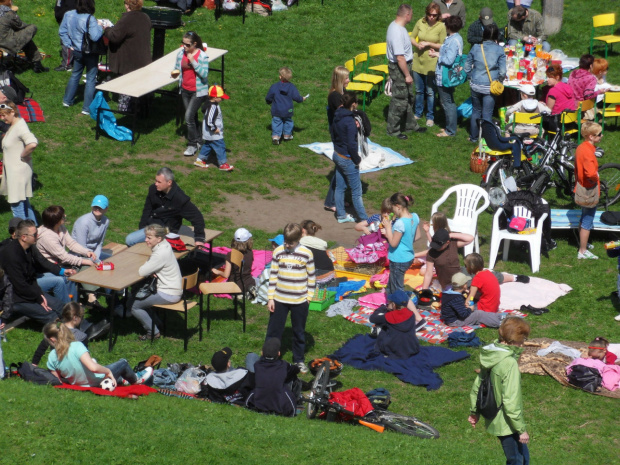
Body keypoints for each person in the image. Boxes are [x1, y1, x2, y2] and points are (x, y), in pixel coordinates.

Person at [468, 317, 531, 465]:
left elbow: (479, 384)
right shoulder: (508, 363)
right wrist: (521, 429)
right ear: (517, 338)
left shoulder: (492, 354)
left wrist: (474, 411)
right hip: (506, 422)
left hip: (496, 415)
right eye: (523, 339)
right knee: (516, 459)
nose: (524, 342)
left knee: (522, 457)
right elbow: (511, 399)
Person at [266, 223, 315, 374]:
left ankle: (298, 360)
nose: (287, 245)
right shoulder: (278, 252)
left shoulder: (307, 254)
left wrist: (308, 297)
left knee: (299, 332)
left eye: (290, 243)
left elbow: (311, 277)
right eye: (285, 242)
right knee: (274, 331)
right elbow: (273, 274)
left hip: (299, 301)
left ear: (299, 239)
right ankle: (269, 358)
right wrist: (270, 298)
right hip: (279, 299)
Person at [44, 321, 153, 387]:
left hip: (78, 383)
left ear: (52, 340)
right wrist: (108, 372)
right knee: (123, 362)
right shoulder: (77, 345)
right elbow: (93, 368)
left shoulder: (52, 357)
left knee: (96, 362)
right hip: (96, 381)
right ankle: (136, 379)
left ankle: (122, 380)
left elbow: (57, 380)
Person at [0, 218, 77, 306]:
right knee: (58, 281)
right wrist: (37, 294)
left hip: (34, 276)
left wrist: (62, 271)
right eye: (14, 231)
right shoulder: (8, 251)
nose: (37, 235)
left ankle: (74, 304)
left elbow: (43, 261)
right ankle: (68, 311)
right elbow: (19, 281)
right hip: (25, 284)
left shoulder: (29, 245)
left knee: (67, 277)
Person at [125, 167, 206, 247]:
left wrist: (199, 238)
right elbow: (147, 210)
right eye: (156, 181)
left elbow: (197, 217)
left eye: (159, 182)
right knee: (130, 239)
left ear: (169, 182)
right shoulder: (153, 189)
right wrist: (142, 228)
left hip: (166, 231)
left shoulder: (179, 199)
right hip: (151, 227)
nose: (156, 184)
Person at [128, 224, 182, 340]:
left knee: (134, 305)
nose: (145, 240)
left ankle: (153, 332)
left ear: (159, 238)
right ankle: (157, 323)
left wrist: (151, 267)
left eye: (149, 238)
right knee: (140, 299)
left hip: (168, 293)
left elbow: (142, 271)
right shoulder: (165, 245)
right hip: (174, 288)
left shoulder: (159, 254)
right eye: (146, 237)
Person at [385, 4, 426, 140]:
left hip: (403, 66)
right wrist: (407, 75)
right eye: (411, 14)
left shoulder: (397, 27)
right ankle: (393, 130)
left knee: (408, 97)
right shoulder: (396, 31)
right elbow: (400, 57)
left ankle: (410, 125)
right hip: (400, 68)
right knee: (400, 100)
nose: (412, 17)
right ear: (407, 15)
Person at [59, 0, 104, 115]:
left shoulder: (68, 14)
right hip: (90, 52)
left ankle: (67, 100)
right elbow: (95, 36)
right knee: (91, 78)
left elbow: (62, 31)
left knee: (75, 74)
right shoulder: (90, 19)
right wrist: (100, 26)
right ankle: (86, 108)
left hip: (76, 50)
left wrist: (69, 45)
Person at [32, 301, 109, 366]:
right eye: (81, 317)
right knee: (93, 361)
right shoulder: (82, 336)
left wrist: (34, 366)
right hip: (73, 371)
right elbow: (85, 358)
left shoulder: (54, 330)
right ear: (75, 318)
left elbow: (41, 349)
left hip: (57, 368)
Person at [465, 23, 506, 143]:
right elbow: (503, 71)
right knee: (487, 113)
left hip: (475, 84)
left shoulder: (476, 47)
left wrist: (470, 77)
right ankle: (486, 139)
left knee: (476, 111)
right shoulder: (499, 50)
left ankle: (473, 137)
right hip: (490, 86)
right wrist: (500, 80)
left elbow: (467, 66)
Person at [330, 91, 368, 223]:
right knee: (357, 191)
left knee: (340, 187)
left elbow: (333, 134)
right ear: (353, 104)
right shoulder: (350, 122)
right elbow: (352, 145)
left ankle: (341, 215)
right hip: (347, 159)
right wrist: (357, 159)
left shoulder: (336, 115)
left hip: (337, 154)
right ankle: (364, 219)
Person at [172, 31, 209, 157]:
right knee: (192, 117)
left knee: (188, 117)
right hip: (185, 89)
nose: (185, 47)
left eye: (187, 45)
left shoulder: (202, 56)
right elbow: (177, 68)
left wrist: (193, 61)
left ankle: (192, 144)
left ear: (194, 44)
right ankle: (199, 141)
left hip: (197, 91)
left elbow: (204, 74)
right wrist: (175, 73)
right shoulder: (180, 54)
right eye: (183, 44)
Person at [0, 101, 38, 222]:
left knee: (17, 207)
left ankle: (24, 236)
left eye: (4, 115)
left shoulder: (20, 127)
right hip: (16, 172)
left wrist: (23, 155)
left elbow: (32, 143)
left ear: (12, 112)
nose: (2, 118)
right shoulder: (14, 125)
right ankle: (35, 231)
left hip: (17, 174)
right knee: (25, 204)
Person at [245, 338, 301, 417]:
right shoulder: (284, 365)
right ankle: (298, 398)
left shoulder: (257, 365)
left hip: (259, 403)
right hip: (279, 404)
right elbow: (296, 369)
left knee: (251, 356)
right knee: (291, 377)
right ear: (278, 353)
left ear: (262, 353)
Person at [411, 2, 446, 127]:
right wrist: (417, 44)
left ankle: (430, 116)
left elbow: (443, 45)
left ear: (438, 16)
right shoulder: (421, 22)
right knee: (419, 90)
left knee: (431, 92)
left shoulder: (441, 26)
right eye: (430, 14)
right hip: (418, 60)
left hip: (431, 63)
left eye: (434, 15)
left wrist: (428, 44)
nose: (431, 17)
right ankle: (418, 113)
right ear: (426, 14)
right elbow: (412, 36)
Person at [430, 15, 464, 137]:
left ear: (449, 27)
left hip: (445, 76)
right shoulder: (455, 38)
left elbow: (449, 60)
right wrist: (437, 53)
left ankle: (450, 131)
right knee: (448, 101)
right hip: (448, 75)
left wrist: (437, 56)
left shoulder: (453, 41)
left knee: (447, 102)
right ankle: (450, 126)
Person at [369, 290, 426, 358]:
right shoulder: (411, 314)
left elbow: (372, 318)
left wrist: (382, 308)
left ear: (393, 304)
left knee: (383, 327)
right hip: (411, 348)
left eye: (389, 302)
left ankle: (377, 331)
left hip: (394, 350)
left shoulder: (389, 316)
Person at [574, 121, 602, 260]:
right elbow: (590, 173)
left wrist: (595, 150)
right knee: (588, 221)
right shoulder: (588, 153)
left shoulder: (582, 147)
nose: (601, 136)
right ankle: (582, 251)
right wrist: (595, 178)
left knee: (584, 215)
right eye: (599, 134)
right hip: (588, 189)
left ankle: (583, 243)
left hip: (581, 185)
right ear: (591, 136)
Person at [324, 65, 350, 212]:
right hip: (339, 134)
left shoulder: (342, 92)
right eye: (346, 78)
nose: (349, 80)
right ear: (340, 79)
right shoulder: (335, 96)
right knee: (342, 166)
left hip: (343, 132)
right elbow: (345, 112)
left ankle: (337, 198)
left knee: (343, 166)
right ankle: (331, 200)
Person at [383, 193, 419, 294]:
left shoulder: (400, 223)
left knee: (397, 289)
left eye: (393, 208)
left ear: (398, 207)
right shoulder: (415, 217)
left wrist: (388, 229)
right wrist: (406, 240)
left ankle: (401, 306)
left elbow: (393, 244)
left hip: (399, 259)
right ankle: (390, 304)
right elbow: (417, 236)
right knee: (392, 283)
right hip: (409, 256)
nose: (392, 211)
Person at [103, 0, 151, 75]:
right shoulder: (146, 17)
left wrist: (106, 29)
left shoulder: (127, 19)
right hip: (143, 61)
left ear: (127, 5)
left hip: (129, 64)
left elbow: (114, 37)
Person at [0, 0, 49, 73]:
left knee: (24, 37)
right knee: (31, 28)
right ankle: (37, 64)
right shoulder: (8, 14)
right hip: (6, 44)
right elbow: (20, 25)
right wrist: (14, 14)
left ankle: (37, 64)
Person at [194, 85, 234, 171]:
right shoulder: (213, 107)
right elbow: (209, 120)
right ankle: (222, 164)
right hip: (213, 133)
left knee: (208, 145)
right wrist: (214, 128)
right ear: (215, 97)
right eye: (221, 97)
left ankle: (200, 160)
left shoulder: (209, 103)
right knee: (220, 146)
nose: (222, 99)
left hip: (208, 133)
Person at [211, 227, 256, 298]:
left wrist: (217, 272)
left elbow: (226, 275)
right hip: (249, 281)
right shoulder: (250, 252)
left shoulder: (231, 255)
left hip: (236, 285)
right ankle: (248, 291)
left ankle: (241, 295)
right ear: (248, 241)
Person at [265, 66, 305, 145]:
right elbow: (296, 97)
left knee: (276, 122)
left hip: (277, 109)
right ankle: (287, 135)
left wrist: (268, 101)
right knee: (288, 121)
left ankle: (276, 137)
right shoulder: (292, 87)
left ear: (280, 76)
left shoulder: (274, 86)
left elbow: (269, 97)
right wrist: (302, 99)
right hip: (288, 109)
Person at [71, 195, 110, 261]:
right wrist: (95, 259)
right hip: (79, 255)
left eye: (100, 207)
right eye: (95, 206)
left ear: (106, 209)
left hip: (94, 253)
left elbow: (100, 243)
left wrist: (96, 257)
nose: (97, 209)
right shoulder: (83, 222)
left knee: (114, 259)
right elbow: (82, 247)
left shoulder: (106, 221)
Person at [568, 54, 605, 120]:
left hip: (569, 103)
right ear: (591, 66)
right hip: (581, 107)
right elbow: (588, 95)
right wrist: (599, 92)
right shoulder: (591, 78)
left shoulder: (573, 73)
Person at [544, 64, 577, 130]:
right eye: (546, 77)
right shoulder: (567, 86)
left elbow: (548, 110)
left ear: (557, 77)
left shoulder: (553, 91)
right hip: (570, 120)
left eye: (549, 77)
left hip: (557, 123)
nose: (547, 80)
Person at [53, 0, 77, 71]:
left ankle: (67, 65)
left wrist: (61, 16)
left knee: (66, 41)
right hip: (63, 19)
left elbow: (70, 8)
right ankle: (73, 61)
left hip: (67, 19)